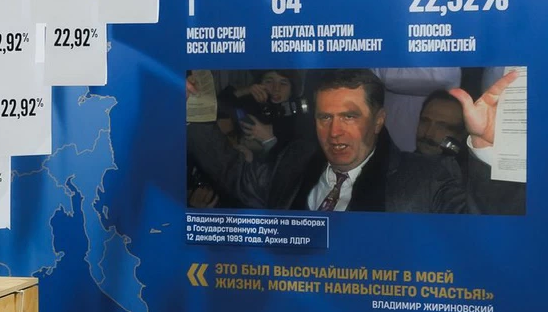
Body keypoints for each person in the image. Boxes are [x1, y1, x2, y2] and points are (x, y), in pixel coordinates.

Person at [189, 68, 473, 213]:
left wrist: (486, 152)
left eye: (349, 117)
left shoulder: (426, 179)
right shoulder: (295, 160)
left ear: (378, 120)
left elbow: (477, 238)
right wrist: (191, 108)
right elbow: (233, 172)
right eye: (325, 117)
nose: (334, 132)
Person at [415, 89, 525, 215]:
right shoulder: (400, 167)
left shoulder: (472, 182)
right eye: (425, 121)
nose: (428, 133)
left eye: (443, 126)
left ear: (462, 134)